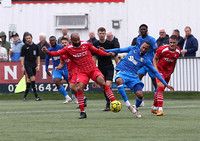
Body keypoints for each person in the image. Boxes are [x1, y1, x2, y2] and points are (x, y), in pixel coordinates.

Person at [42, 33, 116, 119]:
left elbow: (96, 51)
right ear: (72, 41)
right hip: (81, 72)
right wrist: (48, 52)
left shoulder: (86, 44)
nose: (77, 42)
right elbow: (57, 53)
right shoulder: (68, 49)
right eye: (75, 40)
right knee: (78, 88)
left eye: (78, 39)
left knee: (102, 82)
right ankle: (83, 112)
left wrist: (106, 54)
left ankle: (114, 102)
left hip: (92, 68)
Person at [105, 41, 174, 118]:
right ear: (141, 46)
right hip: (122, 71)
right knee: (118, 80)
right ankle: (128, 104)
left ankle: (136, 107)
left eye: (146, 48)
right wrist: (106, 50)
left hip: (133, 76)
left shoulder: (146, 60)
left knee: (140, 95)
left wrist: (165, 84)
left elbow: (156, 72)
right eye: (143, 47)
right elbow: (119, 50)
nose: (143, 49)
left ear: (148, 50)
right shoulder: (133, 48)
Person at [151, 35, 180, 116]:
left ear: (177, 43)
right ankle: (160, 109)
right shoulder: (162, 49)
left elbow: (174, 60)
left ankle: (154, 107)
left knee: (161, 89)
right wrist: (156, 70)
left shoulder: (178, 51)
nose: (172, 44)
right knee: (160, 87)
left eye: (174, 43)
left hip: (168, 72)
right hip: (159, 71)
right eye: (170, 42)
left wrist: (173, 70)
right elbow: (154, 58)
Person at [93, 27, 119, 111]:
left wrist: (118, 66)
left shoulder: (110, 44)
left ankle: (111, 102)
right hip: (100, 67)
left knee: (107, 85)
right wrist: (93, 67)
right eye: (100, 33)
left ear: (105, 34)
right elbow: (93, 56)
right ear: (98, 34)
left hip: (109, 67)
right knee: (103, 86)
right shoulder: (95, 44)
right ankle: (108, 102)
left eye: (103, 33)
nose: (101, 35)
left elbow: (115, 56)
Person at [45, 36, 72, 104]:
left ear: (56, 40)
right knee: (56, 81)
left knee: (71, 83)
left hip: (66, 68)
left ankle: (75, 97)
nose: (52, 42)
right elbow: (47, 59)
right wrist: (46, 69)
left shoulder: (61, 46)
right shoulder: (50, 49)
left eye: (53, 40)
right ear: (49, 42)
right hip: (57, 69)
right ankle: (67, 97)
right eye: (51, 41)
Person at [136, 24, 158, 97]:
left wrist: (156, 62)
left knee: (154, 80)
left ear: (147, 30)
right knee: (137, 78)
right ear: (139, 31)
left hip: (150, 62)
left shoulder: (151, 39)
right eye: (141, 29)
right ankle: (139, 98)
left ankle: (157, 95)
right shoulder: (138, 39)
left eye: (144, 29)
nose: (143, 30)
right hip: (142, 63)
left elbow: (156, 51)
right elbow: (138, 50)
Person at [20, 33, 42, 101]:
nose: (28, 40)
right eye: (27, 38)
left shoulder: (36, 46)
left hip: (34, 64)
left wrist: (38, 65)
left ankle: (25, 96)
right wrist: (22, 66)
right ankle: (36, 96)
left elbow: (38, 56)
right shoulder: (24, 47)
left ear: (31, 38)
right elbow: (22, 57)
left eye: (29, 38)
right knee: (32, 77)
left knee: (29, 80)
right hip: (27, 64)